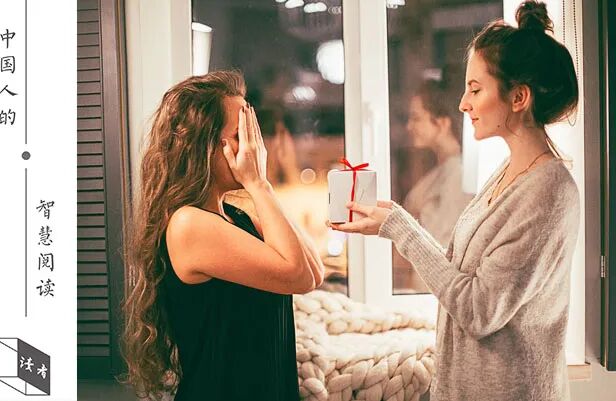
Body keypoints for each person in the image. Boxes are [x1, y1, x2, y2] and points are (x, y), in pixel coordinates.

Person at [329, 2, 579, 400]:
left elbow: (478, 311)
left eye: (475, 89)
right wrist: (391, 220)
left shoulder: (549, 193)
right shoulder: (509, 171)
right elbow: (459, 271)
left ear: (519, 97)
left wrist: (401, 229)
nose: (463, 103)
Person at [120, 71, 324, 401]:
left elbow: (313, 271)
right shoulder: (188, 225)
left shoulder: (237, 215)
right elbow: (298, 276)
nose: (255, 148)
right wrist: (258, 184)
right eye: (242, 135)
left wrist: (263, 186)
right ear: (204, 145)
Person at [403, 78, 474, 247]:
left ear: (442, 123)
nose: (409, 126)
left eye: (416, 118)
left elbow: (443, 243)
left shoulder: (458, 175)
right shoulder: (442, 171)